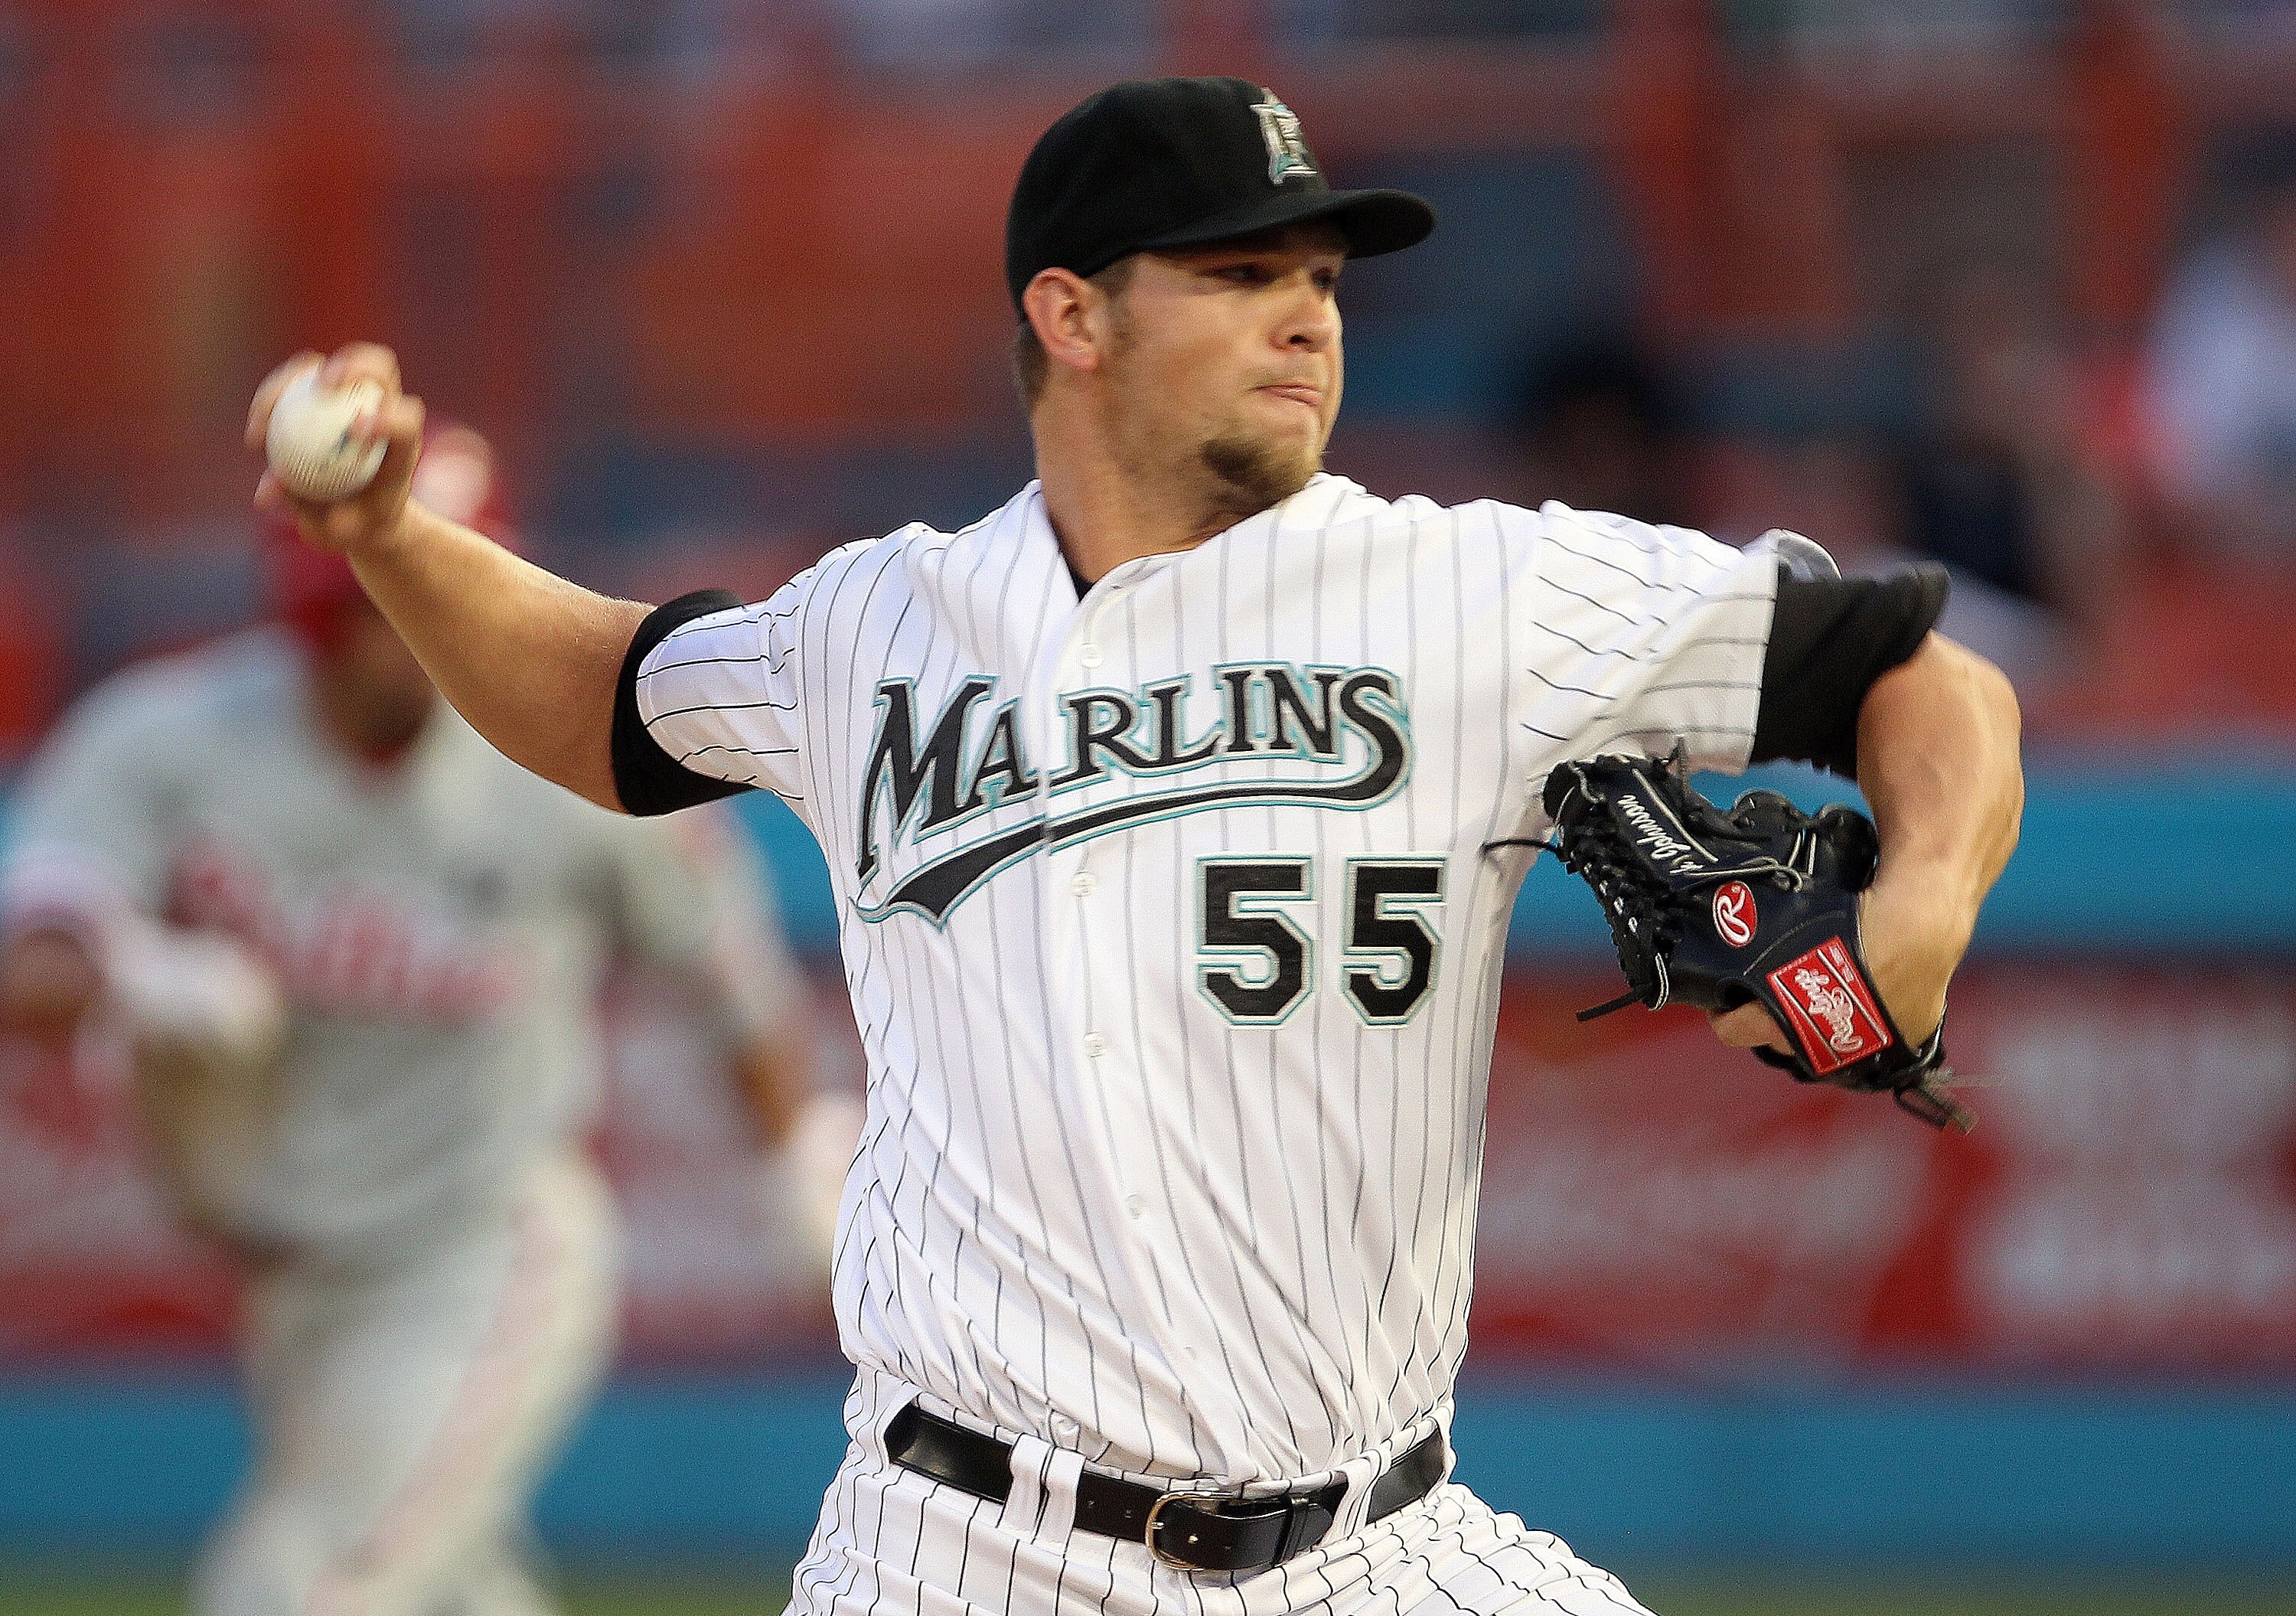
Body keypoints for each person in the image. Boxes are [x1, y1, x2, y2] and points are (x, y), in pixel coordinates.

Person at [245, 77, 2022, 1616]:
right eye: (1242, 274)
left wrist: (1919, 914)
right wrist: (394, 537)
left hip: (1370, 1551)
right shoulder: (882, 624)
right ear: (1072, 317)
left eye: (1322, 279)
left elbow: (1921, 682)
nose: (1310, 317)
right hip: (959, 1547)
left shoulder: (1482, 590)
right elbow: (607, 700)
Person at [0, 422, 816, 1616]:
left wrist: (796, 1154)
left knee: (298, 1588)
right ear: (315, 599)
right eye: (385, 590)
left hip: (485, 1249)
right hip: (292, 1275)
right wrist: (130, 971)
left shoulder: (569, 763)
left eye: (442, 578)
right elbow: (34, 960)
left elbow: (729, 979)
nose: (419, 625)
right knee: (445, 1590)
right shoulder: (172, 739)